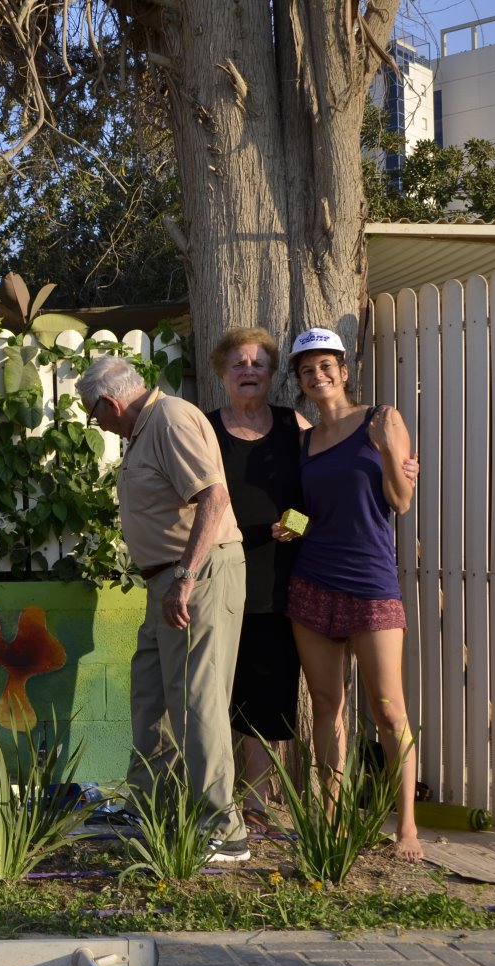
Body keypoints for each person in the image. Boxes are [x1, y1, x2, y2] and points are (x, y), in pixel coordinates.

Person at [78, 353, 250, 862]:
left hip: (196, 575)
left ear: (110, 403)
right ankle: (150, 805)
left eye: (93, 414)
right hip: (167, 580)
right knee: (151, 692)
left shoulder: (170, 418)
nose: (96, 424)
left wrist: (185, 577)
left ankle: (224, 829)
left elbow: (214, 498)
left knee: (196, 699)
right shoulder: (144, 429)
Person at [276, 326, 423, 860]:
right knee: (326, 705)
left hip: (371, 583)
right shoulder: (303, 441)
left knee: (388, 709)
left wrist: (386, 450)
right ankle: (333, 822)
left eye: (325, 366)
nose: (318, 375)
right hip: (312, 581)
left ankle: (406, 827)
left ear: (343, 370)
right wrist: (288, 526)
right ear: (299, 381)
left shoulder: (382, 419)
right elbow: (306, 511)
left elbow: (401, 501)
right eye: (306, 370)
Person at [205, 327, 307, 836]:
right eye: (238, 363)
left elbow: (321, 487)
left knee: (266, 694)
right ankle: (214, 799)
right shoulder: (206, 428)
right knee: (216, 693)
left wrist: (298, 524)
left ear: (271, 375)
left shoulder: (293, 425)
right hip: (220, 574)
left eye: (258, 363)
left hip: (279, 578)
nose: (249, 371)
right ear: (222, 374)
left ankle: (257, 806)